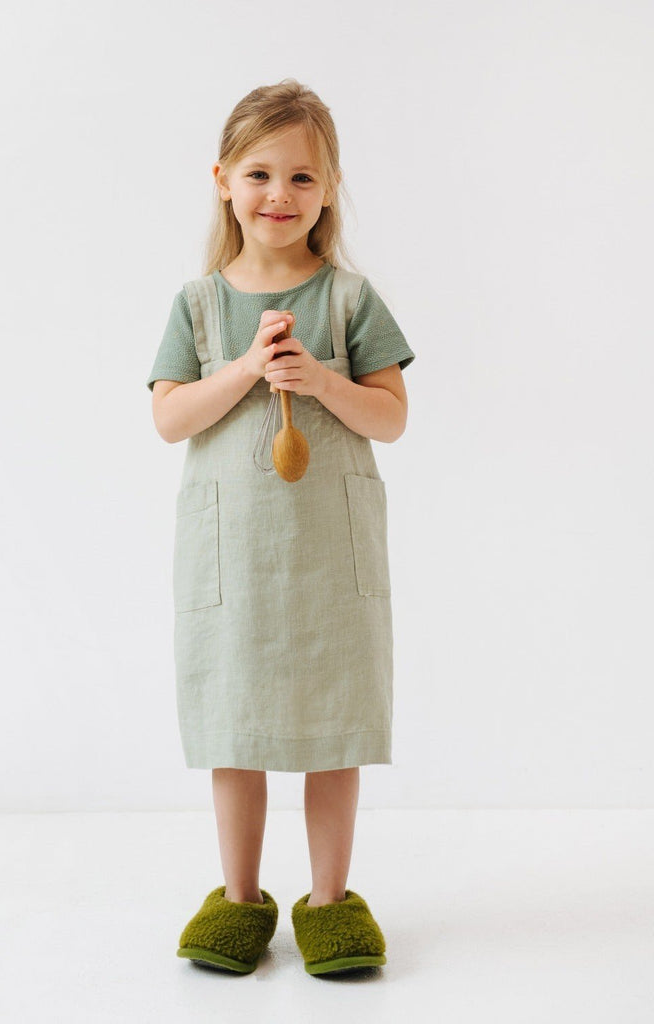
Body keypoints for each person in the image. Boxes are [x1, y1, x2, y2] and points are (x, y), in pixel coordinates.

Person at [146, 79, 415, 977]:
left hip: (329, 565)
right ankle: (240, 897)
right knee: (237, 727)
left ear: (330, 189)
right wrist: (246, 371)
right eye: (260, 173)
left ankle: (331, 901)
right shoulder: (197, 304)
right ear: (223, 180)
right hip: (234, 565)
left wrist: (319, 380)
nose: (279, 194)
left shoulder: (349, 299)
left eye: (303, 177)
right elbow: (170, 418)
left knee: (335, 729)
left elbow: (390, 418)